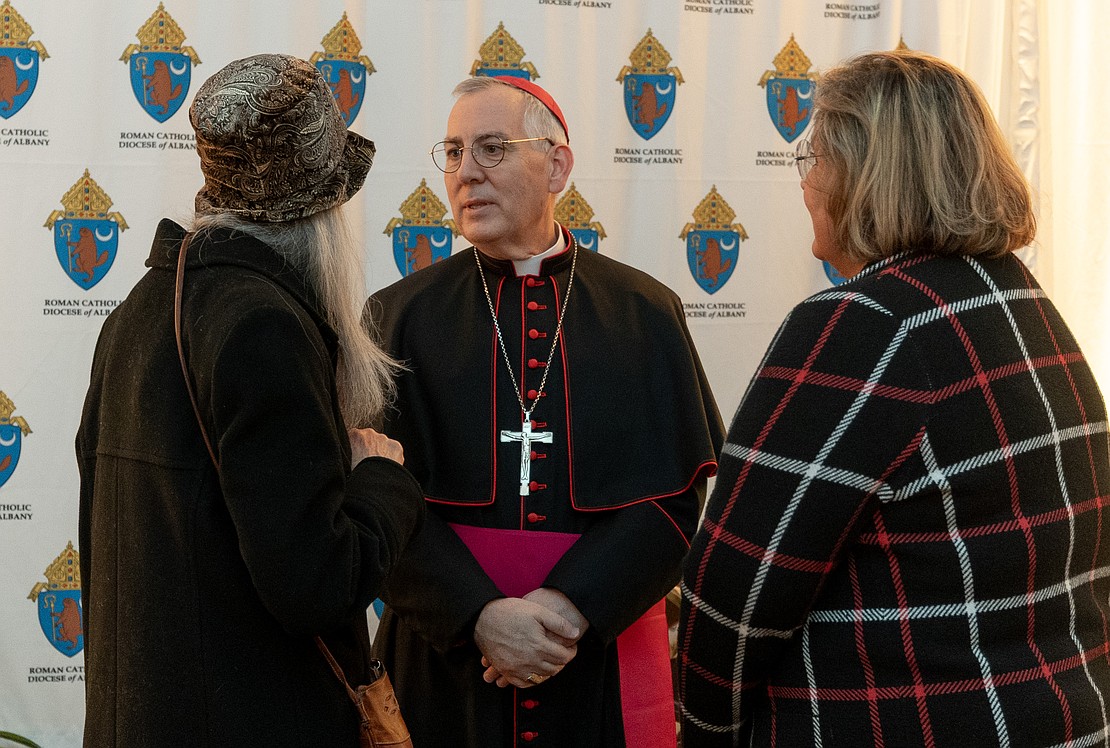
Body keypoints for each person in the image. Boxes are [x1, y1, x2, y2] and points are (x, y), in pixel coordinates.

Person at [678, 49, 1110, 747]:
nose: (806, 183)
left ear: (862, 172)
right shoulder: (1024, 300)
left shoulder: (864, 322)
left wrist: (707, 735)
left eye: (815, 157)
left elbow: (737, 589)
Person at [76, 54, 425, 746]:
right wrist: (381, 481)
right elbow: (314, 587)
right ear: (323, 211)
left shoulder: (139, 311)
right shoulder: (262, 326)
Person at [366, 75, 725, 747]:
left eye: (493, 147)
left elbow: (673, 499)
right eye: (453, 151)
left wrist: (568, 608)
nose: (466, 172)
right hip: (445, 662)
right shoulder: (398, 316)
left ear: (557, 164)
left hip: (593, 657)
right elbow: (375, 501)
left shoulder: (643, 311)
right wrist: (479, 617)